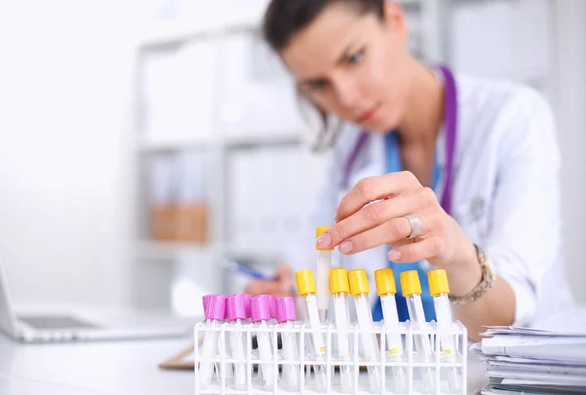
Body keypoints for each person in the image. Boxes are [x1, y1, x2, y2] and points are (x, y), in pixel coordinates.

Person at [245, 0, 573, 341]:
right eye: (319, 85)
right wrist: (286, 293)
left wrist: (458, 257)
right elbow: (312, 271)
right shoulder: (351, 148)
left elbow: (506, 315)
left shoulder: (513, 118)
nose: (347, 96)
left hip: (508, 380)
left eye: (354, 58)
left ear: (395, 20)